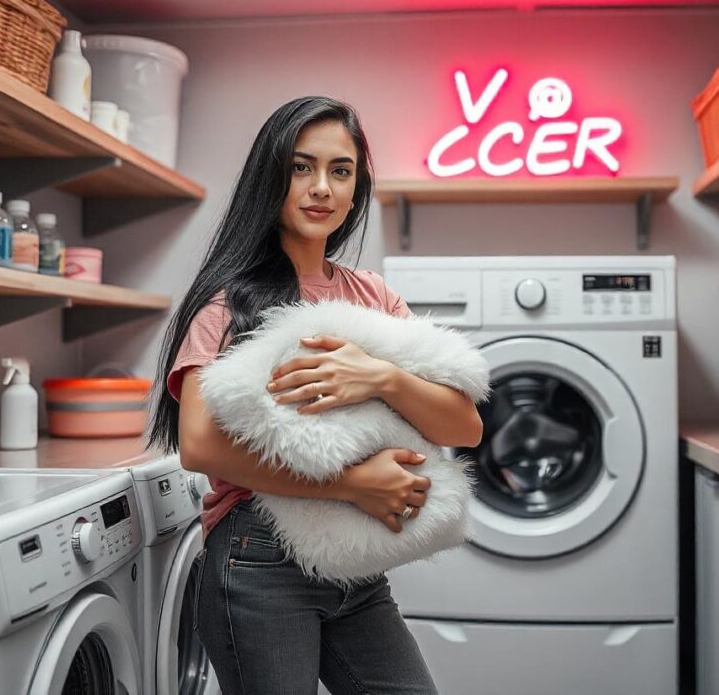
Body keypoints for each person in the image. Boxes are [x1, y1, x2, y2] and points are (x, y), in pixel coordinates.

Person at [148, 96, 483, 695]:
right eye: (301, 167)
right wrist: (351, 483)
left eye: (341, 170)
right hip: (258, 559)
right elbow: (199, 446)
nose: (321, 187)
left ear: (357, 189)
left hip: (356, 567)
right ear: (270, 177)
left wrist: (381, 377)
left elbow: (464, 426)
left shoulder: (372, 295)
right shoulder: (229, 302)